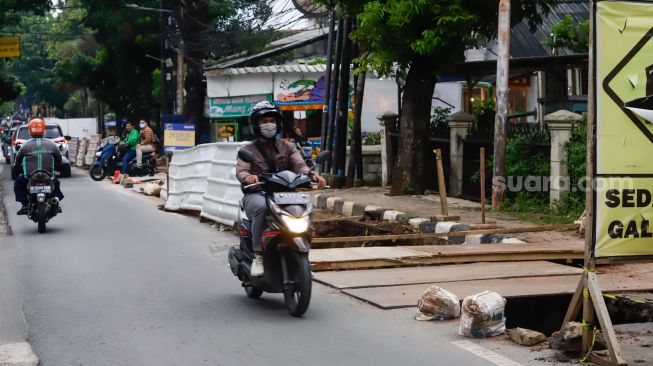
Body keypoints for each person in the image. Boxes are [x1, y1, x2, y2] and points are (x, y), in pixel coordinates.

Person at [236, 101, 326, 277]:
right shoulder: (247, 150)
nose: (269, 124)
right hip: (257, 193)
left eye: (272, 120)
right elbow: (242, 170)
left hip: (285, 194)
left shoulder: (289, 147)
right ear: (256, 125)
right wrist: (248, 177)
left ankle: (303, 259)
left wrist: (312, 175)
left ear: (278, 123)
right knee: (262, 207)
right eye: (264, 121)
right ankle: (258, 256)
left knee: (306, 207)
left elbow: (300, 166)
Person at [13, 118, 64, 215]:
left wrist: (16, 170)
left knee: (18, 184)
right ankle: (55, 201)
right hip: (48, 176)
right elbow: (59, 159)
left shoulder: (25, 145)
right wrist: (58, 166)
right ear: (44, 130)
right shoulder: (52, 144)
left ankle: (25, 204)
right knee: (56, 184)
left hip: (29, 177)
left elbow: (17, 160)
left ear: (29, 130)